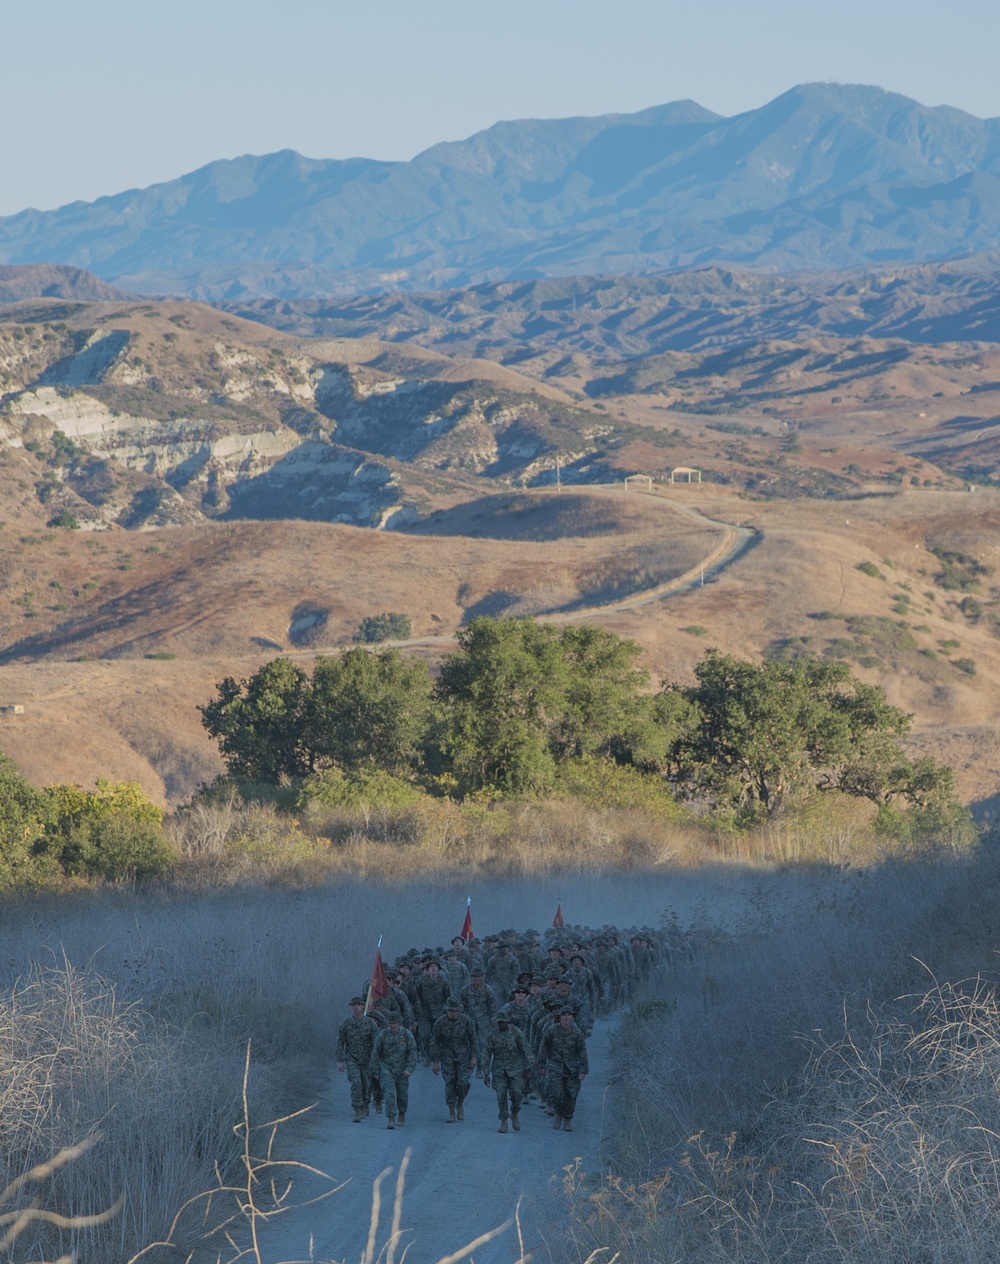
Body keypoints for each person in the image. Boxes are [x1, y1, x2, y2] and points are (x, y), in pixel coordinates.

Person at [539, 1006, 588, 1132]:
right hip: (555, 1067)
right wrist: (541, 1065)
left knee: (571, 1095)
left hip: (572, 1068)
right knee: (556, 1093)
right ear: (559, 1017)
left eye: (569, 1015)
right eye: (564, 1015)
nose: (566, 1017)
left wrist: (583, 1070)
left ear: (572, 1017)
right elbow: (543, 1048)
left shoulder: (577, 1033)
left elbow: (582, 1052)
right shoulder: (551, 1031)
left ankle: (567, 1119)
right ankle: (558, 1114)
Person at [430, 997, 477, 1122]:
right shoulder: (440, 1023)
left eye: (455, 1010)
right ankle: (451, 1111)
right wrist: (435, 1061)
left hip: (463, 1055)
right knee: (450, 1083)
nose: (452, 1013)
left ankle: (460, 1102)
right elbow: (435, 1042)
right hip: (447, 1056)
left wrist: (474, 1056)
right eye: (450, 1010)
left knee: (463, 1083)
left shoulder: (466, 1021)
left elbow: (473, 1039)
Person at [336, 997, 380, 1123]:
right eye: (354, 1005)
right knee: (356, 1083)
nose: (356, 1007)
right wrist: (340, 1060)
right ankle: (357, 1109)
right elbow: (340, 1042)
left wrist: (375, 1058)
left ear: (363, 1006)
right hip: (352, 1058)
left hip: (366, 1059)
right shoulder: (346, 1024)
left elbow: (376, 1042)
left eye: (359, 1005)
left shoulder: (370, 1024)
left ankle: (365, 1103)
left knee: (366, 1084)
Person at [371, 1013, 418, 1129]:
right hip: (387, 1068)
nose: (392, 1026)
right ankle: (391, 1118)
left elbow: (413, 1053)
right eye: (390, 1023)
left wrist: (409, 1069)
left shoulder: (406, 1035)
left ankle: (402, 1113)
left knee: (402, 1094)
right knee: (389, 1094)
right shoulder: (383, 1036)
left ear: (399, 1023)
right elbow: (375, 1054)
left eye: (394, 1023)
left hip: (402, 1070)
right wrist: (376, 1072)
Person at [483, 1015, 529, 1133]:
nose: (502, 1024)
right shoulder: (492, 1034)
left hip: (515, 1068)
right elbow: (486, 1054)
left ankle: (514, 1113)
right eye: (500, 1022)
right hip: (499, 1069)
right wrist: (486, 1073)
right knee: (501, 1095)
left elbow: (526, 1049)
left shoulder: (516, 1032)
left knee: (517, 1093)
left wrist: (529, 1067)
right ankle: (503, 1121)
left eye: (504, 1022)